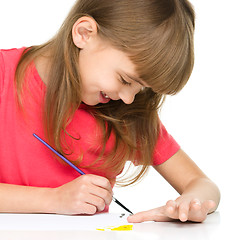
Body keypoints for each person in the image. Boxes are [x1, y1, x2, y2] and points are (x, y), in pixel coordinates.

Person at [0, 0, 220, 223]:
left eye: (141, 88)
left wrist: (190, 203)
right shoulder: (4, 75)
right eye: (125, 80)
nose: (128, 98)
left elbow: (203, 185)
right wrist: (53, 200)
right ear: (84, 33)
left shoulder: (126, 114)